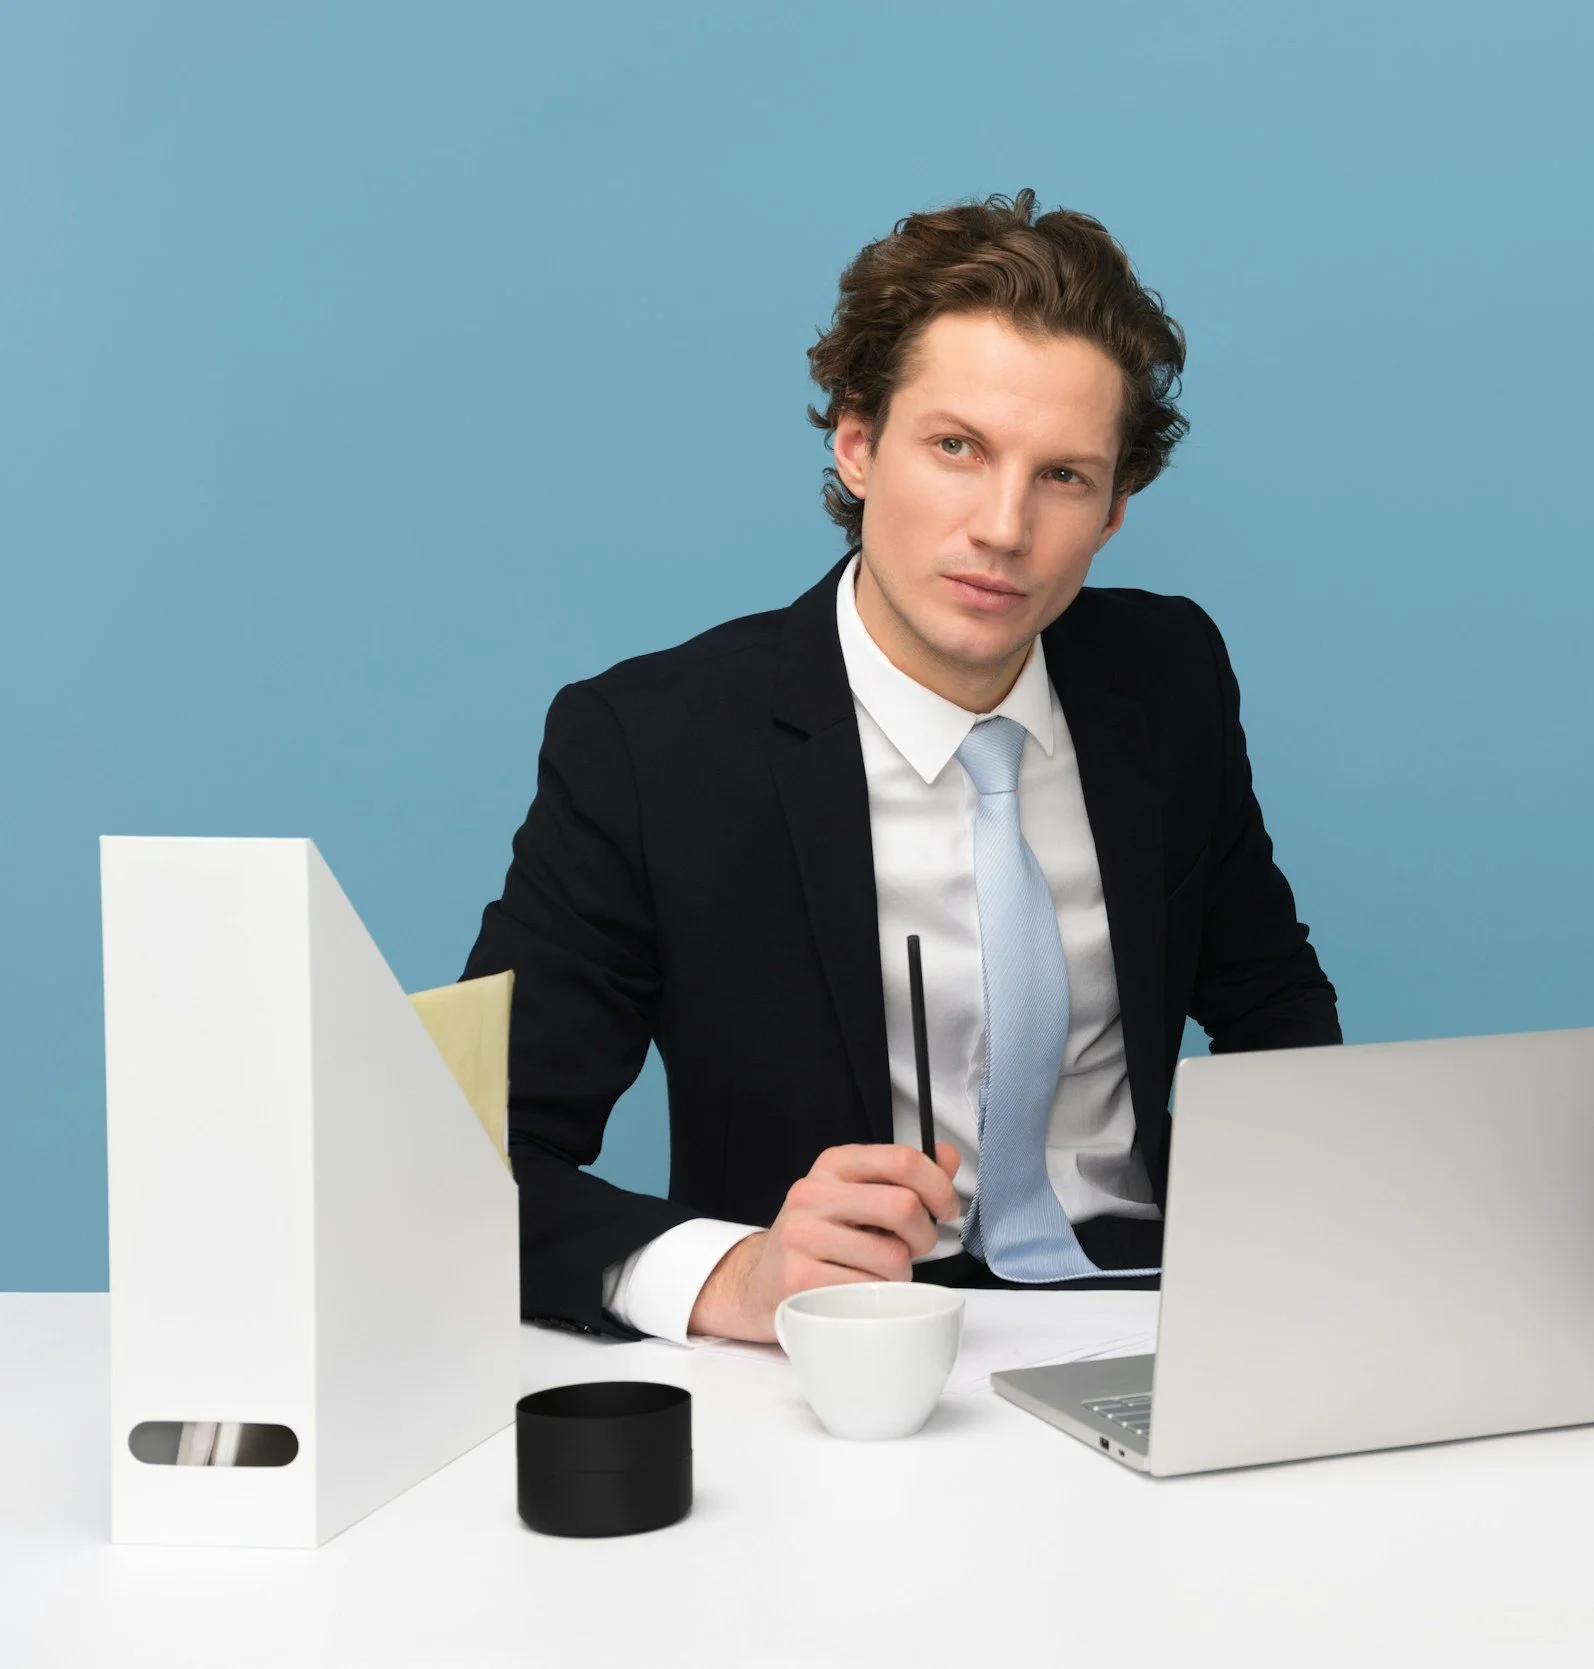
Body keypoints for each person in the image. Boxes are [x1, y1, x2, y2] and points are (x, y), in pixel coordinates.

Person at [462, 189, 1340, 1344]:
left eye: (1065, 476)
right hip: (836, 1352)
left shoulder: (1166, 677)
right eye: (957, 448)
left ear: (1117, 510)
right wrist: (733, 1276)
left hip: (1155, 1316)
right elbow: (470, 1161)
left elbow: (1271, 1000)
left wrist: (1302, 1242)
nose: (1003, 527)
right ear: (858, 445)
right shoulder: (648, 745)